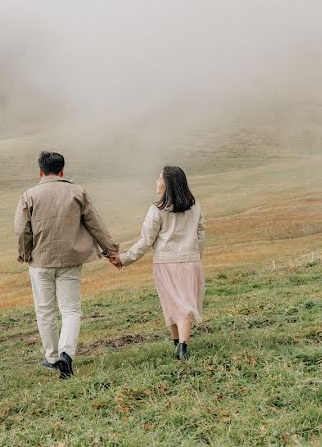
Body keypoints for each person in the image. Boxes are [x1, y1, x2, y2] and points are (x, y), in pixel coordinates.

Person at [15, 151, 120, 379]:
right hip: (71, 260)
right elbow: (95, 224)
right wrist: (110, 250)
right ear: (62, 171)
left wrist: (25, 254)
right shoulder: (77, 192)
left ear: (40, 172)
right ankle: (67, 354)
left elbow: (22, 229)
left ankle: (52, 357)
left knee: (45, 310)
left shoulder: (29, 195)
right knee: (71, 309)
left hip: (40, 261)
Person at [109, 165, 205, 360]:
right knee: (185, 303)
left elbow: (146, 240)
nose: (157, 182)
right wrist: (195, 255)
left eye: (159, 179)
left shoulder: (157, 210)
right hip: (191, 262)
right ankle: (181, 346)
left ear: (168, 184)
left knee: (171, 303)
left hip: (165, 264)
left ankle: (178, 344)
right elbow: (201, 235)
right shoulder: (195, 207)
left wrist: (125, 259)